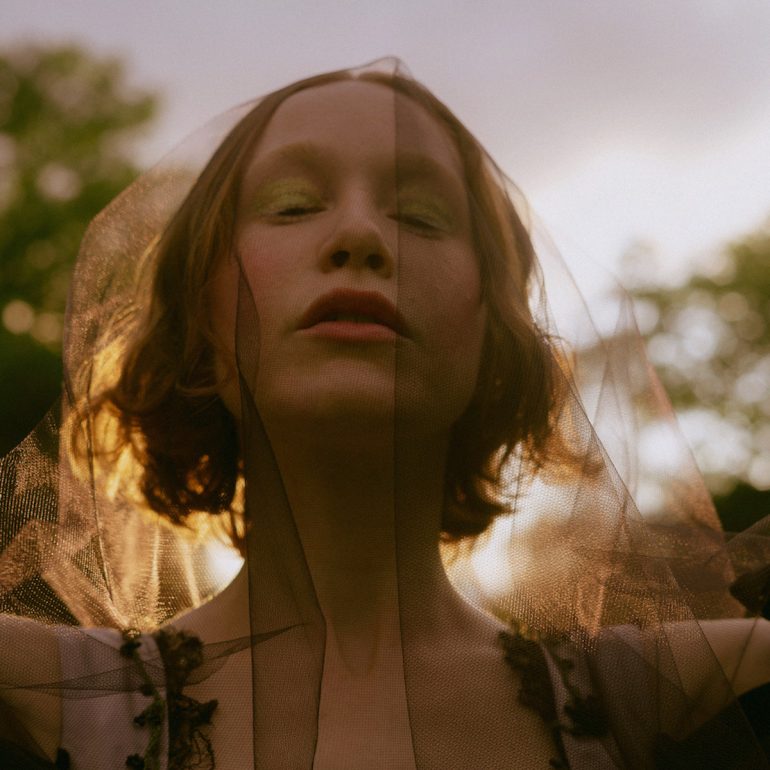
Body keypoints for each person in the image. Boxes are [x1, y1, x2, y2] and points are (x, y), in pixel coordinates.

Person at [1, 59, 769, 769]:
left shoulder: (704, 694)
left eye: (423, 216)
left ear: (492, 338)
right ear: (200, 321)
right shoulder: (25, 693)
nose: (360, 236)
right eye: (292, 205)